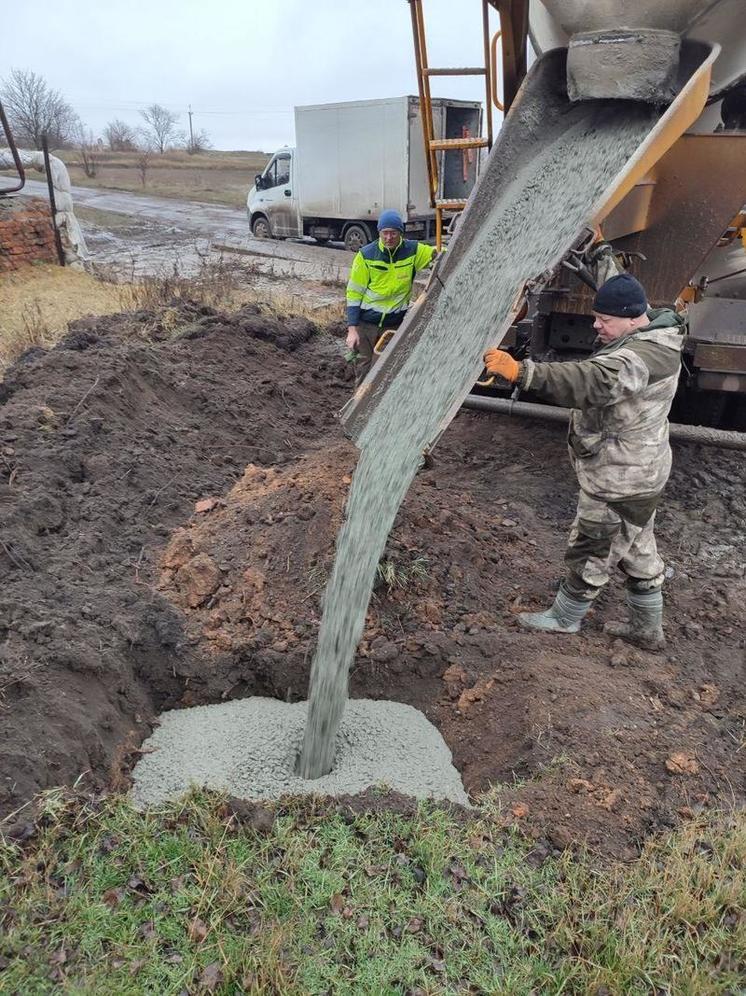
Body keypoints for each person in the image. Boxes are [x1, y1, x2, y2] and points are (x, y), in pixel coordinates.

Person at [483, 272, 684, 650]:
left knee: (592, 547)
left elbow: (590, 381)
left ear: (630, 318)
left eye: (604, 320)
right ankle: (647, 629)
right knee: (638, 549)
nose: (596, 325)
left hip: (619, 479)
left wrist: (522, 372)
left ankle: (564, 618)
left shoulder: (638, 359)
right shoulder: (655, 329)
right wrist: (600, 254)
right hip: (641, 471)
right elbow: (619, 283)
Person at [345, 210, 437, 385]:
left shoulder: (413, 251)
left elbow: (439, 254)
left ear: (400, 234)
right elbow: (354, 294)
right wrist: (352, 329)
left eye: (393, 233)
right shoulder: (366, 255)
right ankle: (359, 408)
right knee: (364, 367)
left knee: (386, 371)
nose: (389, 237)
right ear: (379, 232)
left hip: (394, 325)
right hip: (366, 325)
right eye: (385, 233)